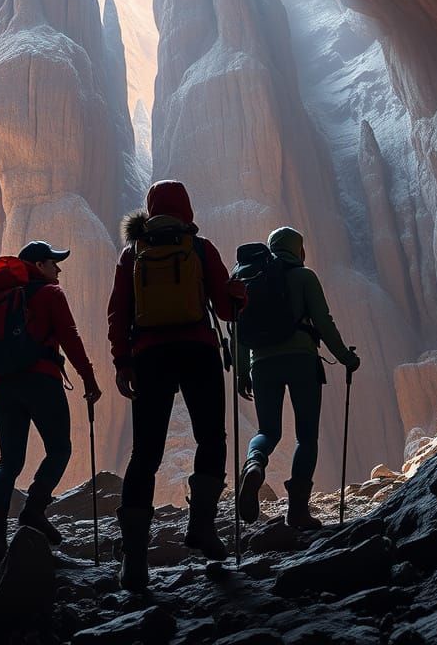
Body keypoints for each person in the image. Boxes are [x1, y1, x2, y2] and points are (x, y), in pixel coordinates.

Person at [108, 180, 244, 591]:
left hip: (150, 357)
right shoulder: (200, 248)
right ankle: (202, 526)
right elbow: (225, 308)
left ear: (149, 211)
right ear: (186, 208)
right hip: (198, 350)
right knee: (212, 439)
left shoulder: (133, 253)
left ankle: (134, 561)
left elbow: (118, 312)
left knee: (144, 455)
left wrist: (122, 362)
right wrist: (239, 296)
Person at [0, 240, 102, 561]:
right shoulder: (51, 294)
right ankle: (34, 511)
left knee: (8, 462)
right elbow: (70, 337)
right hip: (41, 381)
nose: (58, 268)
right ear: (38, 265)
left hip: (2, 388)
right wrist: (89, 379)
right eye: (53, 262)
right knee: (59, 449)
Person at [236, 226, 359, 529]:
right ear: (298, 249)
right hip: (302, 361)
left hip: (261, 363)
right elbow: (323, 321)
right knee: (306, 436)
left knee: (268, 431)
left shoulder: (251, 279)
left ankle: (254, 464)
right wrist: (346, 357)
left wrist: (241, 371)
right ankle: (298, 511)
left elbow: (238, 331)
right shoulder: (305, 277)